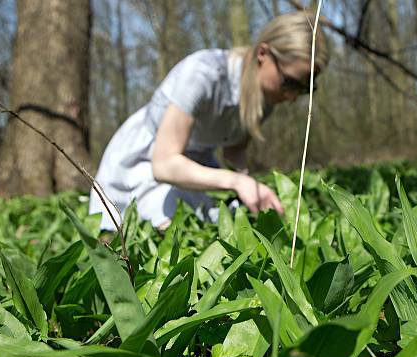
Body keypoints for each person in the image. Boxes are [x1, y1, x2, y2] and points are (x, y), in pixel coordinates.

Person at [89, 11, 329, 231]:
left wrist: (247, 184)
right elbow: (163, 165)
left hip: (194, 168)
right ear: (263, 53)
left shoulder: (264, 101)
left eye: (305, 88)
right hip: (147, 161)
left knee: (216, 233)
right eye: (289, 82)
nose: (292, 96)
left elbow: (234, 149)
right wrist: (236, 181)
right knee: (168, 235)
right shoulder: (203, 74)